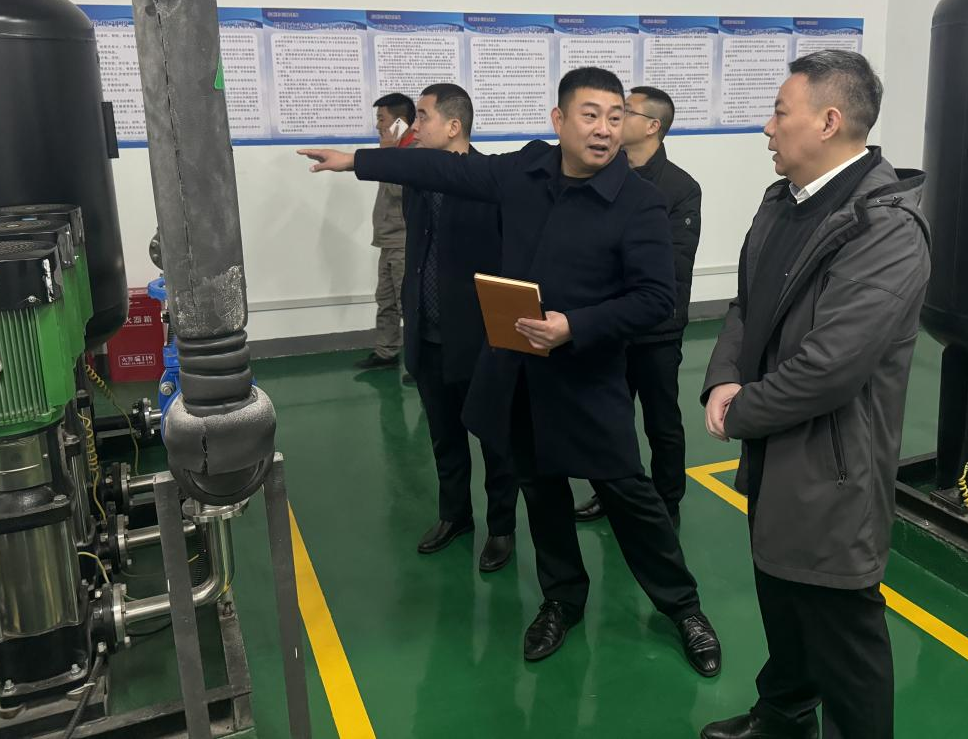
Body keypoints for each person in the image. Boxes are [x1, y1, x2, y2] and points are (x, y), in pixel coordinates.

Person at [299, 67, 721, 678]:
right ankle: (562, 599)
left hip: (588, 376)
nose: (604, 129)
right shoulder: (526, 171)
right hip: (521, 372)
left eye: (614, 117)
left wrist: (575, 325)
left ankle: (683, 607)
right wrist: (357, 161)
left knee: (630, 496)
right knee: (541, 493)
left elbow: (656, 298)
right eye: (590, 115)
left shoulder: (639, 202)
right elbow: (446, 171)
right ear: (559, 120)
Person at [698, 50, 930, 739]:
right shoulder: (784, 203)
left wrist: (739, 411)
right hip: (776, 448)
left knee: (840, 625)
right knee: (782, 596)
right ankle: (784, 715)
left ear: (828, 122)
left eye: (779, 112)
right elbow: (746, 305)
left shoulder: (885, 229)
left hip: (833, 467)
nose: (767, 128)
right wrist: (722, 377)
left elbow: (831, 368)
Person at [401, 83, 518, 571]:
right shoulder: (416, 182)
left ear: (453, 126)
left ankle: (502, 526)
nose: (414, 126)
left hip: (479, 338)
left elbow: (511, 264)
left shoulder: (492, 183)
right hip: (428, 335)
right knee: (444, 436)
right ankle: (455, 515)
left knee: (494, 438)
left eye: (422, 116)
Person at [575, 85, 701, 528]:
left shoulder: (680, 188)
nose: (613, 120)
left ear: (652, 126)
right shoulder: (601, 174)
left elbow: (673, 263)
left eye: (624, 111)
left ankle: (667, 503)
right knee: (609, 419)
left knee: (661, 422)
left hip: (655, 329)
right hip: (609, 325)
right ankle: (611, 493)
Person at [358, 92, 416, 372]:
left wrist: (387, 155)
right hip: (387, 239)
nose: (378, 125)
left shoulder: (414, 152)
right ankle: (386, 352)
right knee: (386, 300)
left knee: (408, 305)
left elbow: (400, 192)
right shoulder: (395, 150)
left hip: (403, 241)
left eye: (382, 119)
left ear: (399, 122)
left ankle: (418, 362)